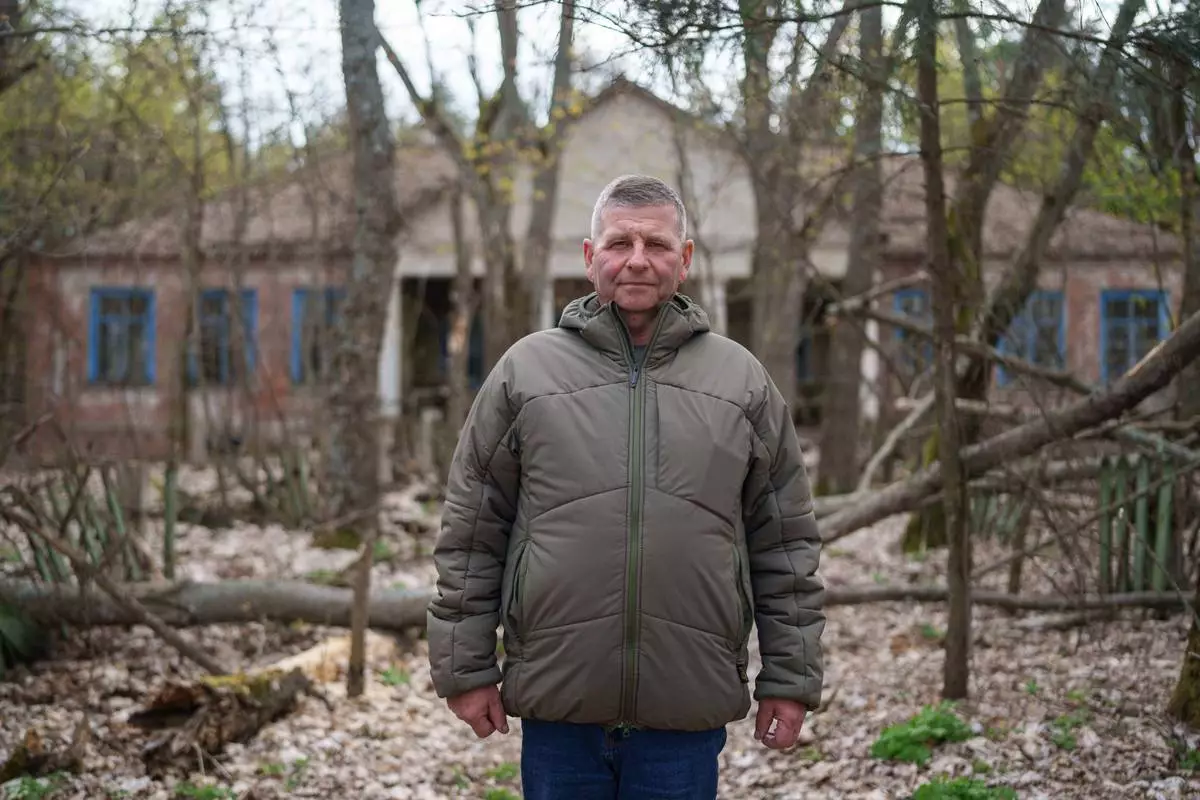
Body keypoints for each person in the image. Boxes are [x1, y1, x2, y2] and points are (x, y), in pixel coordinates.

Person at [426, 174, 825, 799]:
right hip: (560, 704)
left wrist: (790, 678)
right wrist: (465, 668)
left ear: (684, 259)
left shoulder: (741, 381)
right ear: (591, 257)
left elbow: (785, 542)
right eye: (619, 243)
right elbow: (473, 530)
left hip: (685, 709)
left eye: (657, 244)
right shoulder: (525, 373)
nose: (637, 259)